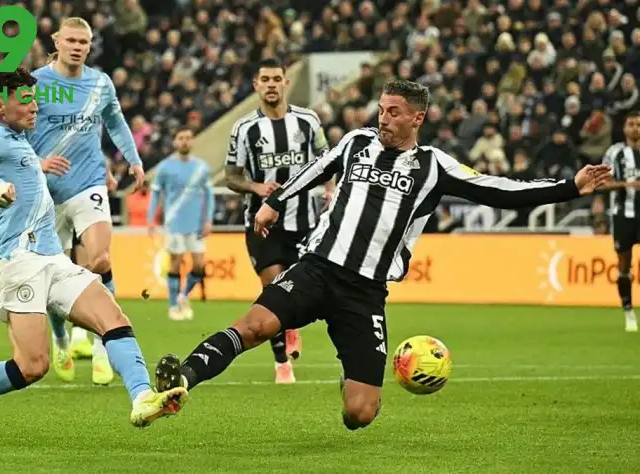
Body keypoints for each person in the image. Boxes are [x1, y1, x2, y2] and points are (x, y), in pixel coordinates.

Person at [154, 79, 612, 430]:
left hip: (365, 292)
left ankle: (350, 376)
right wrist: (274, 201)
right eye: (381, 110)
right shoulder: (356, 143)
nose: (383, 119)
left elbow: (499, 190)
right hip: (317, 268)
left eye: (394, 112)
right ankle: (182, 380)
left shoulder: (434, 166)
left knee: (359, 414)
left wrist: (569, 187)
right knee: (254, 326)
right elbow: (316, 168)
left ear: (417, 118)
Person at [0, 68, 185, 448]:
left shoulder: (4, 134)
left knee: (114, 319)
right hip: (18, 260)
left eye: (34, 99)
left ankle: (142, 398)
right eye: (25, 100)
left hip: (53, 259)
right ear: (0, 106)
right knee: (33, 366)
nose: (35, 107)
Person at [28, 17, 145, 384]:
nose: (77, 47)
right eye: (71, 40)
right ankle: (61, 340)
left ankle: (101, 345)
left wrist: (134, 160)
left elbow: (115, 122)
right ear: (56, 42)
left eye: (84, 42)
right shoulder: (35, 83)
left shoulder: (100, 83)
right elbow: (16, 133)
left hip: (89, 182)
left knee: (100, 259)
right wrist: (36, 163)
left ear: (90, 46)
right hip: (46, 193)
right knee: (55, 274)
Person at [223, 58, 332, 384]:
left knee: (301, 290)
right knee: (272, 289)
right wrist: (256, 187)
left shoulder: (308, 121)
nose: (271, 85)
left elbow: (328, 160)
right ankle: (281, 362)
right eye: (265, 79)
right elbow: (231, 176)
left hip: (304, 222)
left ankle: (292, 326)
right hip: (262, 224)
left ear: (286, 83)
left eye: (276, 79)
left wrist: (331, 190)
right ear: (256, 85)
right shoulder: (245, 128)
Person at [147, 126, 214, 320]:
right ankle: (173, 305)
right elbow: (155, 194)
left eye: (188, 138)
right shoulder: (165, 167)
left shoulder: (202, 168)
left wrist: (208, 220)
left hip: (196, 225)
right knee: (175, 264)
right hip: (174, 223)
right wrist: (151, 219)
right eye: (181, 138)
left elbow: (209, 195)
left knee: (199, 265)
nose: (185, 141)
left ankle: (183, 296)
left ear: (193, 141)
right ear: (175, 142)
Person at [600, 110, 640, 332]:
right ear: (624, 129)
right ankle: (628, 310)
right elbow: (602, 183)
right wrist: (625, 184)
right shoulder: (614, 152)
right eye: (631, 124)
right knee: (624, 264)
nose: (635, 128)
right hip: (623, 216)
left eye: (638, 125)